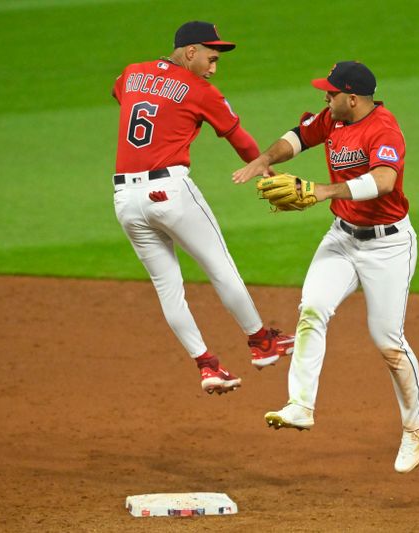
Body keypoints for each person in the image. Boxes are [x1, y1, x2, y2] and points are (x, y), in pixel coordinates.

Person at [232, 61, 419, 473]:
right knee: (312, 308)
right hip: (342, 238)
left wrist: (323, 190)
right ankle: (300, 405)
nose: (324, 98)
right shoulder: (332, 118)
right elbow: (298, 136)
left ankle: (417, 424)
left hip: (388, 246)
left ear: (353, 98)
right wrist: (264, 158)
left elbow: (383, 182)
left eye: (331, 92)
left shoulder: (384, 130)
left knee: (387, 340)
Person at [111, 21, 294, 395]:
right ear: (190, 52)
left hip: (125, 200)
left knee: (168, 289)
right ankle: (261, 343)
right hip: (170, 191)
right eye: (211, 58)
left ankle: (207, 365)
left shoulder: (131, 74)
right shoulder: (200, 89)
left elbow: (124, 95)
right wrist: (264, 170)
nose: (213, 68)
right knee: (220, 266)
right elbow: (237, 136)